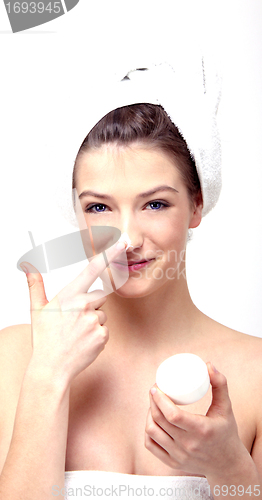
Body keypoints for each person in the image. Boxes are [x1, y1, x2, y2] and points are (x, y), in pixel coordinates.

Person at [0, 62, 261, 500]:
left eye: (155, 204)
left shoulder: (258, 371)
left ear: (197, 204)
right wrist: (48, 374)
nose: (127, 241)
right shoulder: (17, 356)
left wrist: (228, 466)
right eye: (99, 208)